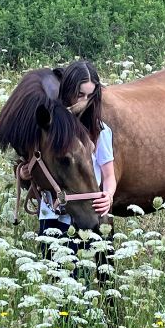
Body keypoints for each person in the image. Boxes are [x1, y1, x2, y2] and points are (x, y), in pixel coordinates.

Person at [38, 60, 116, 240]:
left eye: (90, 95)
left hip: (84, 213)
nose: (85, 101)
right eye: (80, 94)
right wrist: (26, 172)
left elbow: (109, 175)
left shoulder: (100, 130)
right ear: (68, 90)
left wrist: (108, 196)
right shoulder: (50, 128)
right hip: (51, 215)